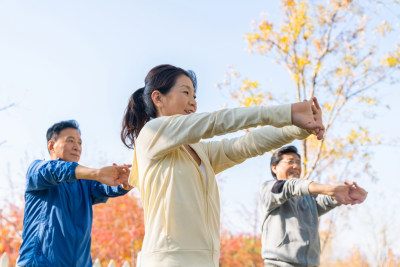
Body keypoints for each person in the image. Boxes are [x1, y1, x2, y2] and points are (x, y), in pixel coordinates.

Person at [121, 64, 325, 267]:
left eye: (195, 97)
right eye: (186, 93)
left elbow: (246, 145)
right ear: (158, 98)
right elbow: (216, 122)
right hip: (167, 261)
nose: (193, 104)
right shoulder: (152, 133)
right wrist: (288, 112)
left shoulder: (199, 150)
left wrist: (298, 129)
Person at [17, 120, 133, 267]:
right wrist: (97, 173)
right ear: (51, 145)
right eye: (70, 141)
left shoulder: (84, 182)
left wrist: (123, 183)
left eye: (80, 142)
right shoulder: (37, 170)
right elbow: (57, 170)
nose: (77, 147)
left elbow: (105, 187)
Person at [259, 145, 367, 267]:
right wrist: (331, 189)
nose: (296, 166)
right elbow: (291, 186)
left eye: (298, 163)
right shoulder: (269, 189)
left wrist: (351, 194)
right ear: (274, 167)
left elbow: (328, 199)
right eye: (290, 162)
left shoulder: (308, 200)